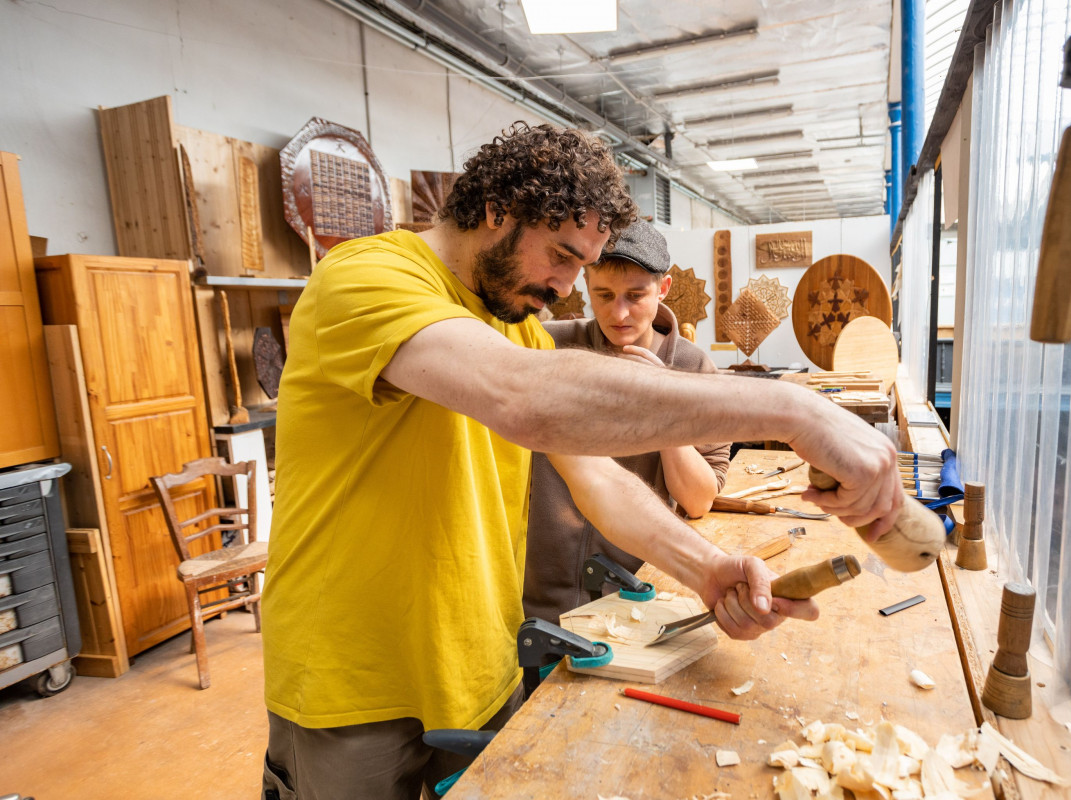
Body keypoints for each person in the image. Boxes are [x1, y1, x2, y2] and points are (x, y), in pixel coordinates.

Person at [261, 121, 904, 800]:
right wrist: (795, 412)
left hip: (475, 665)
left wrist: (706, 569)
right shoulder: (364, 278)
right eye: (564, 256)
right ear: (494, 211)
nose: (569, 287)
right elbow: (524, 399)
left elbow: (595, 476)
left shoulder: (515, 325)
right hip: (350, 684)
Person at [523, 219, 731, 624]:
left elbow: (698, 500)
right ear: (585, 284)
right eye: (603, 295)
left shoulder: (693, 368)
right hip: (536, 596)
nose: (618, 313)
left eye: (635, 296)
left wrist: (662, 404)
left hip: (633, 601)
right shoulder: (549, 345)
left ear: (664, 289)